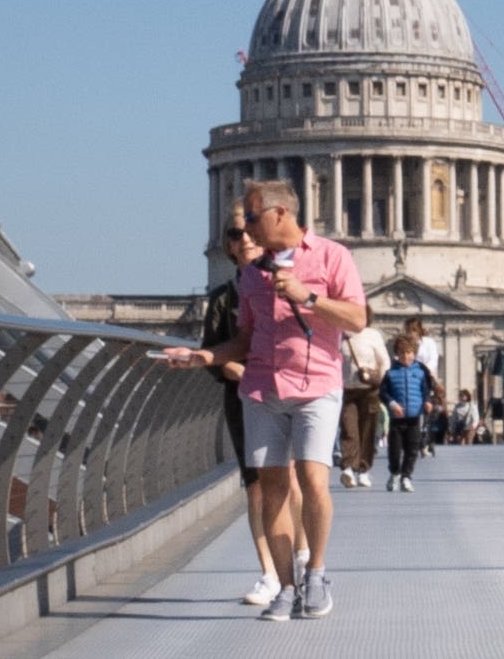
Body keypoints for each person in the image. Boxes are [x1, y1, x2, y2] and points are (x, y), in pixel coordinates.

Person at [158, 179, 369, 622]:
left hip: (316, 385)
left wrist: (308, 297)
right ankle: (286, 587)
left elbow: (357, 318)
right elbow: (246, 339)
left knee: (312, 480)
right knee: (272, 492)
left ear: (279, 214)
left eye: (251, 218)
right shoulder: (253, 275)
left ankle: (316, 573)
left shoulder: (333, 257)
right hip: (262, 389)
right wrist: (204, 357)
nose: (244, 230)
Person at [198, 221, 287, 606]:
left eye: (252, 229)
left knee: (293, 483)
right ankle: (269, 572)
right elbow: (213, 354)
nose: (246, 238)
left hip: (288, 395)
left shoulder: (289, 283)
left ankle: (296, 562)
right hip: (245, 398)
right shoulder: (223, 298)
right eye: (235, 233)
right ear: (229, 245)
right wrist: (248, 373)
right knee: (256, 488)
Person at [380, 321, 437, 492]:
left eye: (409, 353)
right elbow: (383, 392)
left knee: (412, 449)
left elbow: (427, 389)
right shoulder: (390, 372)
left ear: (414, 353)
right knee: (395, 450)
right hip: (397, 418)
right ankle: (395, 472)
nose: (406, 356)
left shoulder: (421, 371)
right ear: (396, 353)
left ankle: (406, 476)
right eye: (402, 353)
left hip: (414, 416)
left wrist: (428, 402)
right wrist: (391, 404)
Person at [337, 319, 391, 489]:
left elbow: (385, 362)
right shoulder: (338, 335)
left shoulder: (372, 335)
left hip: (370, 391)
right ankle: (348, 468)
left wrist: (380, 382)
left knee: (368, 431)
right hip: (347, 391)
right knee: (348, 430)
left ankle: (364, 469)